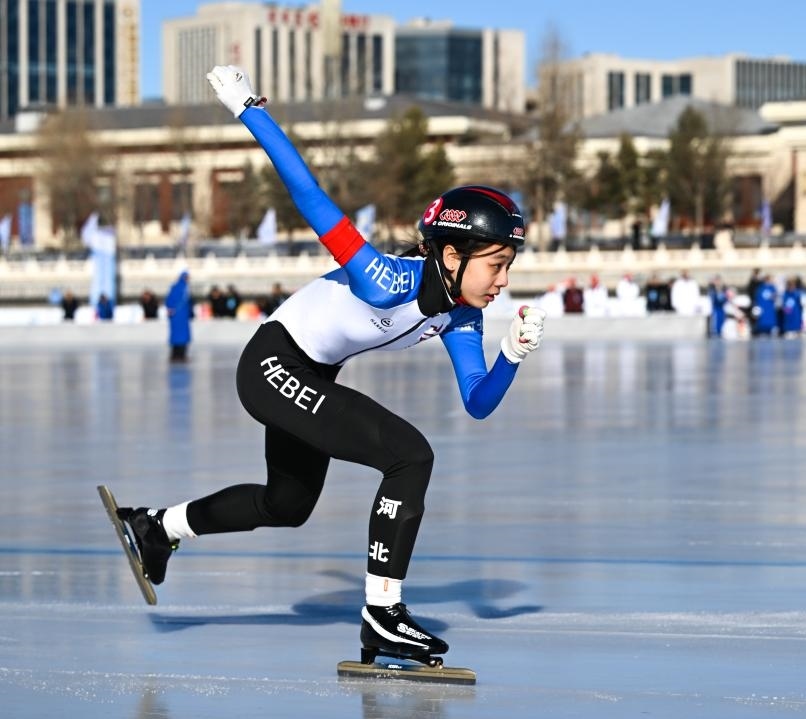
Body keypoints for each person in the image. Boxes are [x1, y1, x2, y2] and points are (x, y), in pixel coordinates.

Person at [113, 65, 546, 667]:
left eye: (508, 267)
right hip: (272, 363)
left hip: (313, 376)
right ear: (451, 255)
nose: (502, 281)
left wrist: (511, 356)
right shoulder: (385, 278)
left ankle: (157, 528)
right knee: (408, 455)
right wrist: (248, 108)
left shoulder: (462, 317)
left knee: (287, 504)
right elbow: (309, 194)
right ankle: (383, 614)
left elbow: (477, 400)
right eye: (496, 265)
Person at [165, 270, 193, 362]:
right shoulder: (180, 288)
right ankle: (178, 355)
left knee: (179, 336)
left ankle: (178, 355)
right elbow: (170, 300)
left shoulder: (182, 288)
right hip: (178, 316)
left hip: (181, 316)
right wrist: (171, 308)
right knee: (179, 336)